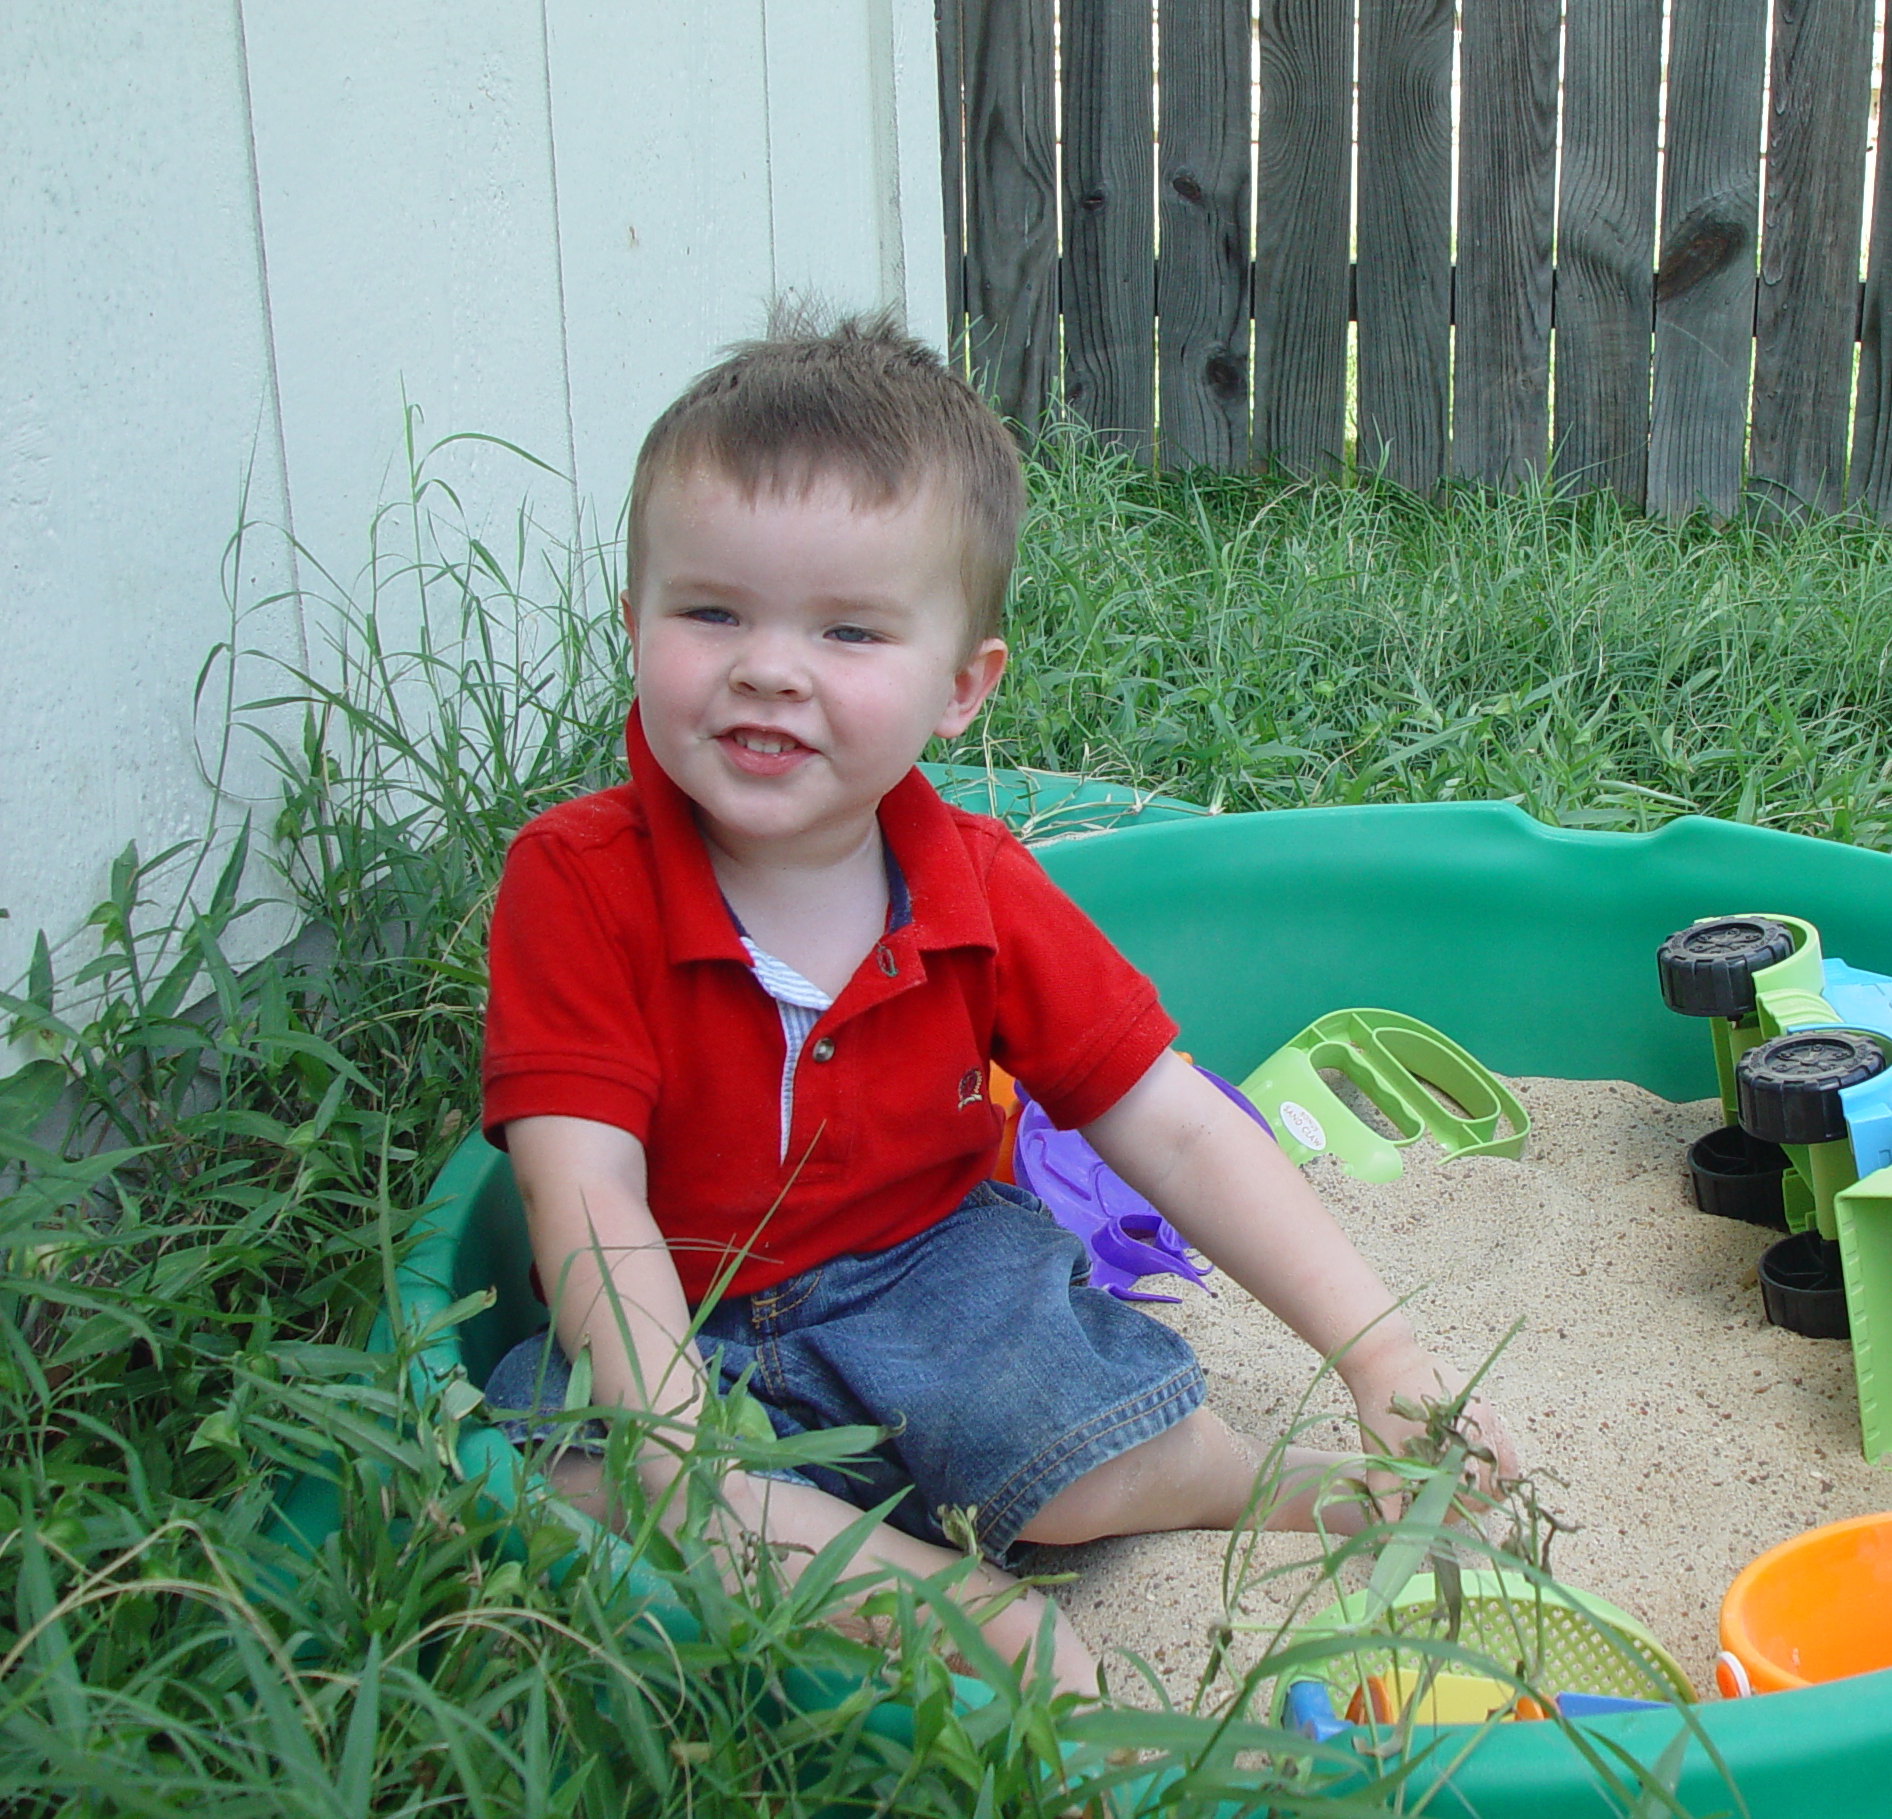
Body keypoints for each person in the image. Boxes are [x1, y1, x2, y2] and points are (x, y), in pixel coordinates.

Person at [478, 310, 1514, 1694]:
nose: (768, 667)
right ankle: (954, 1606)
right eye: (711, 611)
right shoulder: (576, 881)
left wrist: (1382, 1353)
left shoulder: (977, 886)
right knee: (573, 1477)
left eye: (848, 629)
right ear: (634, 623)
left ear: (963, 688)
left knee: (1084, 1465)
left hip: (930, 1276)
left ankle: (1261, 1482)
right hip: (685, 1299)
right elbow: (589, 1192)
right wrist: (671, 1432)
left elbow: (1180, 1130)